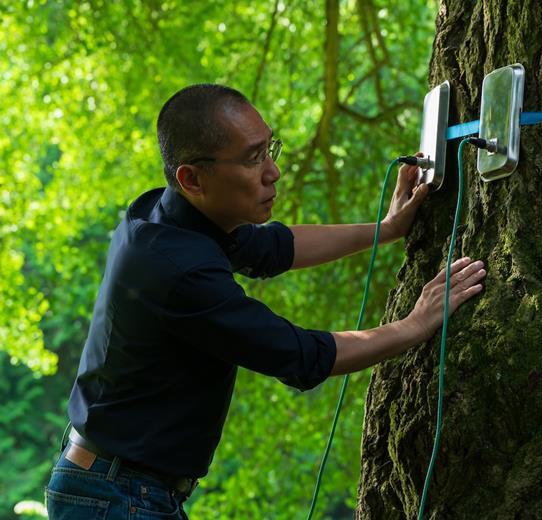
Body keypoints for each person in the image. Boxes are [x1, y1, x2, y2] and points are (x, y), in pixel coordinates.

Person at [45, 84, 486, 519]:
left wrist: (385, 229)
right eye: (253, 158)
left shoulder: (170, 216)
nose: (273, 171)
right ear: (192, 178)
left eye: (269, 147)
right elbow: (300, 353)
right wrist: (415, 324)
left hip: (119, 487)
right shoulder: (177, 271)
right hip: (114, 497)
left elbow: (276, 248)